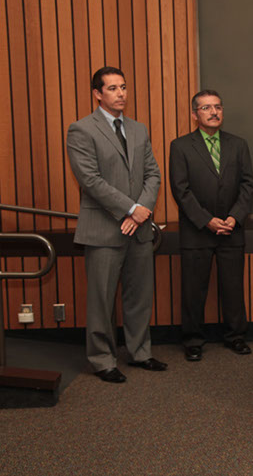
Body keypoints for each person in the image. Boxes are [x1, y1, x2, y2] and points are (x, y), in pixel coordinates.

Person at [66, 66, 166, 383]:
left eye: (123, 87)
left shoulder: (138, 129)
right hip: (103, 230)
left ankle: (140, 352)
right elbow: (90, 180)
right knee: (101, 299)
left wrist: (142, 211)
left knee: (139, 296)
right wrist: (130, 209)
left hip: (138, 229)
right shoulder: (81, 130)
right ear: (97, 93)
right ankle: (102, 359)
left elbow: (153, 174)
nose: (121, 93)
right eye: (112, 88)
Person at [169, 89, 253, 360]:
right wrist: (206, 220)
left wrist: (235, 217)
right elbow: (180, 190)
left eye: (217, 106)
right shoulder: (180, 146)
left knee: (233, 288)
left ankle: (236, 336)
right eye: (206, 108)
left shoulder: (238, 144)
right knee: (194, 290)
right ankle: (193, 340)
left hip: (232, 228)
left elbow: (247, 185)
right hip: (197, 231)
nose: (214, 112)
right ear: (195, 114)